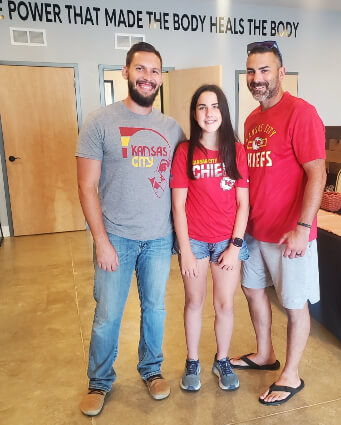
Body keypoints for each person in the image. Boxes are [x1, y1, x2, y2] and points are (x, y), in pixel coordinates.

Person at [76, 42, 185, 416]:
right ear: (125, 72)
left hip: (158, 238)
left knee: (155, 309)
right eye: (140, 69)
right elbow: (87, 187)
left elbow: (186, 182)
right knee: (108, 314)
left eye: (154, 71)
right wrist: (101, 242)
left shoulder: (172, 129)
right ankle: (99, 381)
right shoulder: (99, 122)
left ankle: (152, 370)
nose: (147, 77)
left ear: (161, 77)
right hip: (115, 238)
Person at [230, 41, 326, 406]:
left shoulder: (302, 113)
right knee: (253, 292)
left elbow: (317, 173)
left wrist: (303, 227)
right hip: (256, 230)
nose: (257, 78)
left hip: (291, 234)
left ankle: (292, 374)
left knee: (294, 304)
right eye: (252, 71)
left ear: (281, 73)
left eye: (265, 70)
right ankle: (265, 354)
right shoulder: (252, 120)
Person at [170, 85, 250, 392]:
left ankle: (223, 359)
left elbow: (243, 204)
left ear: (224, 111)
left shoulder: (237, 151)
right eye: (202, 107)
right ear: (194, 114)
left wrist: (235, 246)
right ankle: (193, 361)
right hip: (196, 243)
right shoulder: (184, 152)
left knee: (225, 305)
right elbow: (178, 206)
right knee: (194, 301)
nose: (209, 113)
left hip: (228, 243)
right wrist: (186, 251)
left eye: (214, 106)